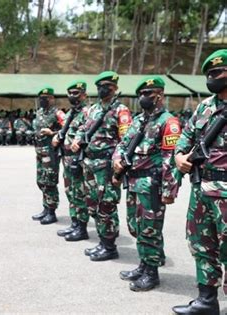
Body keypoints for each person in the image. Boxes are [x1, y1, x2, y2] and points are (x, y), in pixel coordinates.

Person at [113, 76, 181, 291]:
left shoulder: (168, 122)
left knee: (150, 228)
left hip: (152, 182)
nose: (143, 98)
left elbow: (171, 157)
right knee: (136, 225)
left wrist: (170, 189)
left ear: (159, 95)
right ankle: (143, 264)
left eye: (147, 94)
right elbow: (123, 144)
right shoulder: (139, 120)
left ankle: (151, 273)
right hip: (133, 180)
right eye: (140, 94)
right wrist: (116, 159)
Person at [172, 49, 227, 315]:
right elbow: (185, 139)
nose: (212, 78)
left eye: (217, 73)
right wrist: (179, 157)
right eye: (209, 74)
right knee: (201, 245)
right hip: (202, 190)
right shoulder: (206, 106)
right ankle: (207, 301)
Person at [71, 71, 132, 261]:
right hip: (89, 163)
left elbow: (126, 139)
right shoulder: (92, 109)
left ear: (114, 88)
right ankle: (102, 241)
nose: (102, 89)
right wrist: (77, 140)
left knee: (106, 205)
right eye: (99, 86)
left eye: (106, 86)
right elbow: (83, 128)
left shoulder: (121, 110)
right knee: (93, 204)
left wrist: (118, 163)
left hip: (106, 164)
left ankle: (109, 246)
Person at [53, 80, 91, 241]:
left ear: (84, 94)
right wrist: (57, 135)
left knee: (80, 193)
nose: (72, 96)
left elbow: (89, 132)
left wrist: (79, 140)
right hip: (67, 158)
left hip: (79, 159)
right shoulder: (70, 113)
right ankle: (75, 223)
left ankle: (82, 228)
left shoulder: (88, 112)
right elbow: (65, 131)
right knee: (71, 192)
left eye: (76, 93)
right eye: (70, 93)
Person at [31, 87, 65, 225]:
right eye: (41, 98)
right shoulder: (39, 112)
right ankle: (45, 208)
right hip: (40, 151)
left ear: (52, 99)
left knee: (50, 180)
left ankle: (51, 211)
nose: (43, 101)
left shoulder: (58, 113)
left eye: (46, 98)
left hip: (51, 152)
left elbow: (68, 128)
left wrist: (52, 133)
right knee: (41, 180)